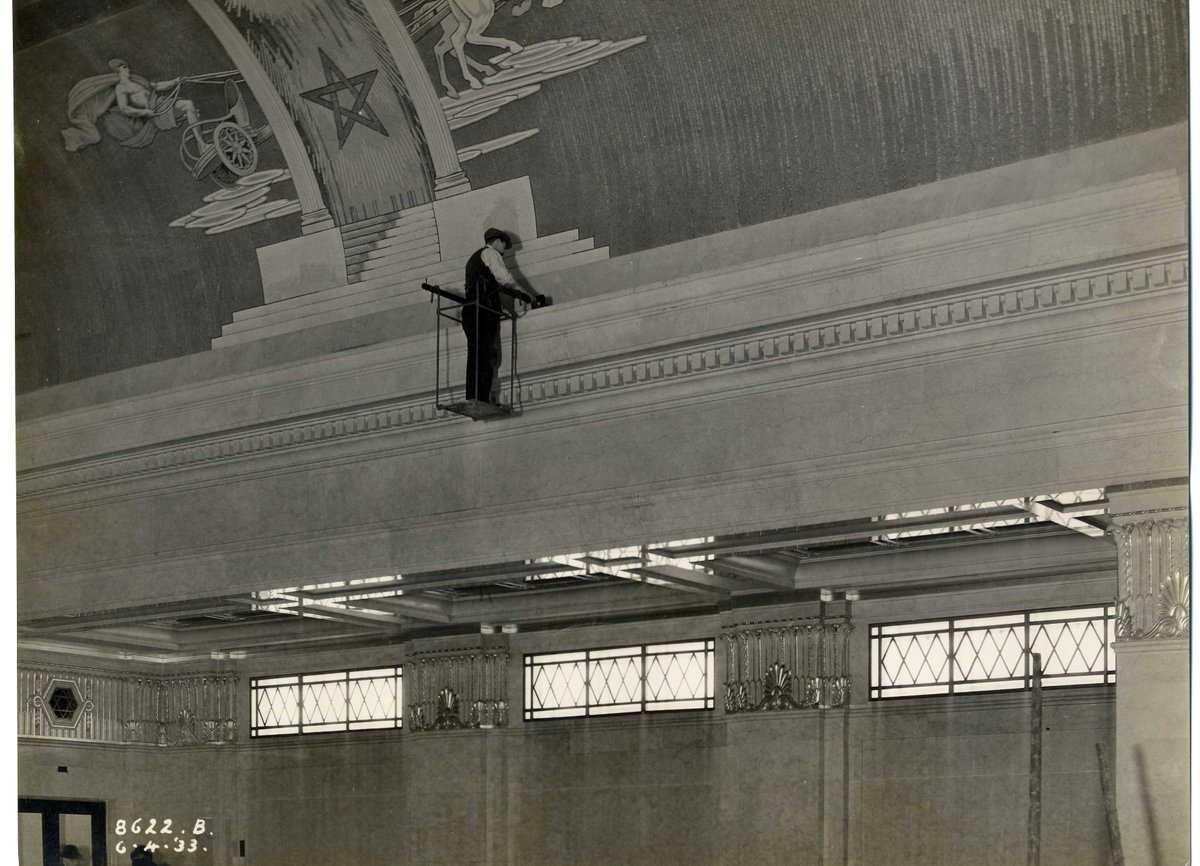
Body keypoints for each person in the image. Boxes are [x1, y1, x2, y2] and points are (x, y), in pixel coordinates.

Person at [461, 228, 545, 404]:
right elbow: (505, 278)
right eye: (503, 245)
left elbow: (487, 285)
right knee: (487, 353)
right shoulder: (490, 253)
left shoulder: (474, 259)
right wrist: (527, 295)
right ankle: (482, 399)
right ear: (497, 241)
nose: (503, 250)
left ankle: (474, 397)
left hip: (471, 309)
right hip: (483, 310)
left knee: (476, 353)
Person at [62, 59, 197, 152]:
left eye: (126, 67)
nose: (128, 69)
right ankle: (201, 145)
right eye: (124, 68)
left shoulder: (136, 81)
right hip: (155, 111)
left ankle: (201, 142)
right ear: (119, 71)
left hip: (159, 102)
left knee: (191, 110)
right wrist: (144, 113)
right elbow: (124, 108)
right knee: (188, 106)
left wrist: (176, 81)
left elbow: (156, 86)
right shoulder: (121, 89)